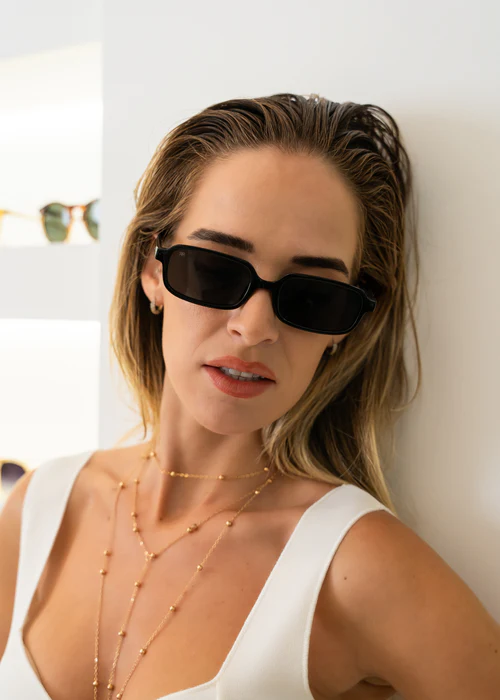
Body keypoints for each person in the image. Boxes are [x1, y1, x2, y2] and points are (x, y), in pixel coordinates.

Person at [1, 93, 499, 700]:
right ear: (152, 271)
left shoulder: (353, 563)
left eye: (311, 295)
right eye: (215, 270)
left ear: (344, 328)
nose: (255, 327)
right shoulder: (40, 508)